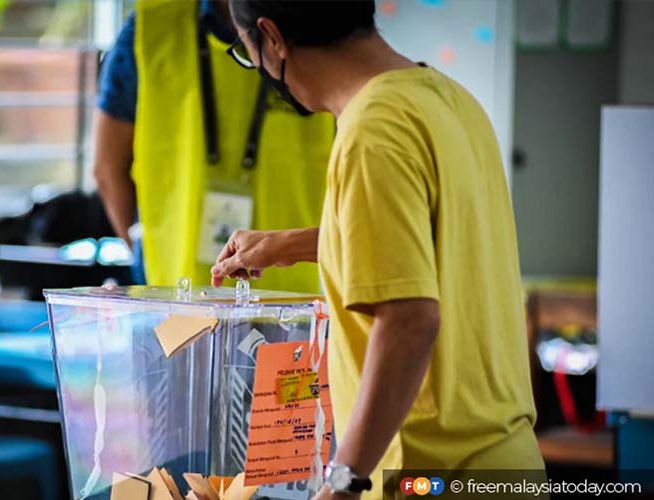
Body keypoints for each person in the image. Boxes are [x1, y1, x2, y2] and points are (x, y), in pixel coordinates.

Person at [212, 1, 544, 498]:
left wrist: (342, 481)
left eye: (247, 51)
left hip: (429, 474)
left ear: (272, 38)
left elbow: (409, 321)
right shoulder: (449, 100)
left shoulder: (372, 128)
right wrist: (290, 245)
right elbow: (431, 245)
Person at [93, 0, 335, 292]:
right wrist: (142, 250)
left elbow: (106, 167)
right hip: (175, 288)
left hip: (292, 287)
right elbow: (107, 169)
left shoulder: (318, 23)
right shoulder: (149, 28)